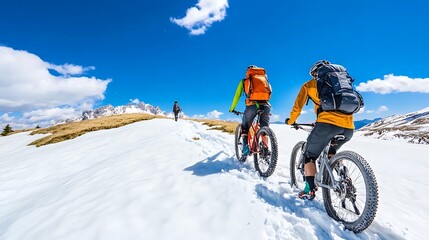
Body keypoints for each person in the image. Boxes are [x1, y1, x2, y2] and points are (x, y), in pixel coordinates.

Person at [285, 60, 355, 200]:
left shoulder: (310, 85)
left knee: (309, 156)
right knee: (331, 153)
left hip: (326, 125)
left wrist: (291, 121)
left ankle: (309, 189)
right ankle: (344, 176)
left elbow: (297, 107)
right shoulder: (341, 84)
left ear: (315, 73)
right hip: (348, 127)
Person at [229, 65, 272, 156]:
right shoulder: (264, 79)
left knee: (244, 126)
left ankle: (245, 148)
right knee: (264, 128)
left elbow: (236, 96)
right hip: (266, 105)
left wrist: (232, 108)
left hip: (252, 105)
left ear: (248, 72)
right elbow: (270, 92)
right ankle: (265, 149)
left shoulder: (244, 81)